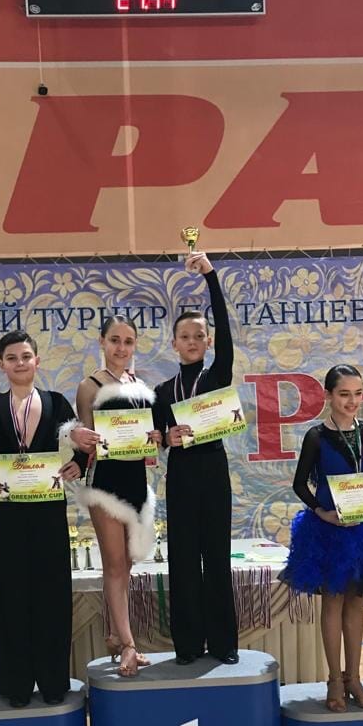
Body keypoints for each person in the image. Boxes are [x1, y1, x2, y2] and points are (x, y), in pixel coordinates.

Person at [0, 330, 92, 708]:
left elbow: (80, 439)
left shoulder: (56, 402)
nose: (19, 363)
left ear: (37, 360)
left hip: (49, 511)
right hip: (9, 512)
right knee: (12, 595)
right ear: (1, 364)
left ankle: (54, 681)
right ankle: (16, 684)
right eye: (12, 358)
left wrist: (80, 462)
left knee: (53, 593)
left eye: (25, 356)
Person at [281, 364, 363, 712]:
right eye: (344, 394)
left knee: (356, 601)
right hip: (329, 528)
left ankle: (355, 678)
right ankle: (334, 679)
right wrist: (322, 512)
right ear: (328, 395)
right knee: (333, 601)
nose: (352, 401)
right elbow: (300, 484)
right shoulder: (317, 436)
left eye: (358, 394)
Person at [153, 251, 238, 665]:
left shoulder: (217, 375)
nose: (191, 341)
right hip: (181, 476)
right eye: (184, 336)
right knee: (184, 560)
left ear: (209, 341)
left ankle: (223, 644)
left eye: (198, 335)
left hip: (214, 472)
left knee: (216, 558)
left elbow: (224, 323)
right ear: (174, 344)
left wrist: (211, 277)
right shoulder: (161, 391)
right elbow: (154, 438)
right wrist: (166, 439)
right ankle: (187, 645)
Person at [75, 316, 161, 677]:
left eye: (128, 341)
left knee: (126, 565)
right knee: (113, 564)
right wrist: (85, 442)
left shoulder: (140, 386)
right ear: (102, 342)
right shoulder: (89, 385)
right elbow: (84, 439)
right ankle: (128, 645)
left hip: (135, 482)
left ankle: (114, 633)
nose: (121, 348)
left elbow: (148, 437)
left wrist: (154, 438)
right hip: (105, 483)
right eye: (114, 340)